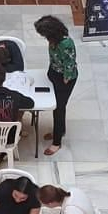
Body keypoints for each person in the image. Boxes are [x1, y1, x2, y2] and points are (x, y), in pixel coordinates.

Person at [34, 14, 78, 156]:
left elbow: (70, 64)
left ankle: (57, 142)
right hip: (53, 72)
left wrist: (65, 79)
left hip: (65, 78)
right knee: (58, 106)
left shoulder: (66, 44)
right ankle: (60, 130)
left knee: (58, 108)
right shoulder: (53, 40)